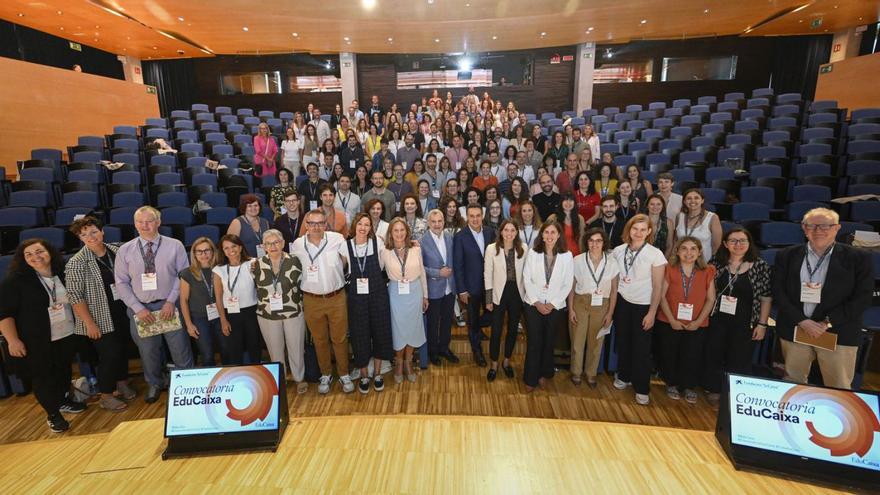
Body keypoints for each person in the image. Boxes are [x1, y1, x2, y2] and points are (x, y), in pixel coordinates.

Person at [772, 208, 874, 390]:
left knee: (838, 386)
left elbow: (863, 297)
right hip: (796, 328)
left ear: (837, 228)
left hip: (838, 332)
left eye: (825, 225)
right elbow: (778, 292)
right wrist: (803, 321)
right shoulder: (786, 255)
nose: (818, 230)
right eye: (811, 225)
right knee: (792, 384)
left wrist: (826, 323)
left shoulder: (858, 258)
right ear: (804, 228)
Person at [0, 239, 87, 432]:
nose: (35, 257)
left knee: (63, 370)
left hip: (66, 334)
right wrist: (13, 340)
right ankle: (53, 414)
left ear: (50, 252)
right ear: (22, 259)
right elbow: (5, 314)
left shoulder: (62, 273)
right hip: (36, 340)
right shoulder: (15, 281)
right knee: (43, 377)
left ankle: (63, 400)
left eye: (39, 251)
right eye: (28, 254)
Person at [114, 206, 193, 403]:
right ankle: (155, 383)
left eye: (149, 221)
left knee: (180, 348)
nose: (144, 225)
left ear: (158, 222)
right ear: (135, 224)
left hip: (170, 307)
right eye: (140, 222)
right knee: (148, 351)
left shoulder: (175, 245)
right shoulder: (125, 250)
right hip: (141, 310)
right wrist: (137, 308)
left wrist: (170, 301)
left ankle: (188, 383)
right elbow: (121, 283)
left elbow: (183, 276)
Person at [65, 217, 136, 411]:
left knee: (122, 349)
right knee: (110, 355)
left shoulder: (117, 250)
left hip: (122, 310)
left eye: (93, 232)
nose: (90, 237)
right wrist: (89, 323)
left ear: (102, 231)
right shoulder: (76, 263)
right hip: (99, 317)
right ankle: (106, 394)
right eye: (84, 234)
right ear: (80, 238)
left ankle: (121, 382)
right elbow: (75, 296)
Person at [705, 227, 772, 406]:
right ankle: (714, 389)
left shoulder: (760, 266)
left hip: (746, 321)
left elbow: (766, 297)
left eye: (743, 240)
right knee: (714, 354)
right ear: (726, 244)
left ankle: (733, 392)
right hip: (717, 318)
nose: (738, 244)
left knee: (739, 358)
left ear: (749, 244)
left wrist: (762, 324)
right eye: (733, 241)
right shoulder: (716, 263)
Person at [291, 209, 353, 394]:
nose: (316, 227)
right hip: (312, 300)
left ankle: (344, 373)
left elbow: (348, 260)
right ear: (306, 225)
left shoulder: (337, 239)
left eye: (320, 223)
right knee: (319, 340)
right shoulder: (297, 245)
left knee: (340, 338)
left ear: (326, 224)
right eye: (312, 223)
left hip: (337, 298)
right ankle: (326, 373)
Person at [610, 214, 667, 406]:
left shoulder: (655, 254)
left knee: (641, 348)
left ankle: (642, 387)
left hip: (643, 305)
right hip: (622, 303)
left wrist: (652, 312)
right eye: (635, 228)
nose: (638, 232)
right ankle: (624, 376)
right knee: (624, 342)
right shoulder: (618, 250)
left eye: (643, 229)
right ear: (629, 229)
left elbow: (658, 286)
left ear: (649, 231)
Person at [656, 237, 716, 404]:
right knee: (670, 353)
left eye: (693, 249)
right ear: (677, 251)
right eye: (684, 248)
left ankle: (689, 386)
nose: (688, 253)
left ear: (699, 252)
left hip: (697, 323)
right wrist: (672, 320)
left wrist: (698, 322)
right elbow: (661, 296)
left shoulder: (708, 270)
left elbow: (711, 299)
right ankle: (672, 384)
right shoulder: (670, 269)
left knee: (692, 355)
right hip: (670, 321)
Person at [252, 229, 308, 394]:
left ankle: (299, 378)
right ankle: (280, 379)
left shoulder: (295, 261)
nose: (273, 246)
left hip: (293, 312)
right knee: (274, 350)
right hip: (268, 314)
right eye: (269, 243)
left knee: (295, 347)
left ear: (283, 243)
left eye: (276, 242)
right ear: (263, 246)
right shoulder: (256, 264)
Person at [521, 220, 574, 392]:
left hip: (555, 306)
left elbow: (567, 284)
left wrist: (552, 303)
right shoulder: (533, 254)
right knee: (535, 341)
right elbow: (526, 278)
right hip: (533, 304)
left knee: (548, 341)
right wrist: (536, 302)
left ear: (559, 235)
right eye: (547, 232)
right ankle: (531, 378)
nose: (550, 236)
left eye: (553, 232)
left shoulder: (567, 256)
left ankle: (544, 373)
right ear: (542, 235)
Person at [346, 213, 395, 392]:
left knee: (380, 332)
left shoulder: (378, 243)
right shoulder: (346, 246)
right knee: (360, 335)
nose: (363, 228)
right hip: (357, 299)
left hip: (377, 295)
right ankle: (364, 375)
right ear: (355, 225)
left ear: (370, 228)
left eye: (367, 225)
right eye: (360, 224)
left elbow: (386, 264)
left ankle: (378, 373)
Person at [569, 228, 619, 388]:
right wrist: (570, 309)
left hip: (602, 304)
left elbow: (614, 291)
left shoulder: (612, 262)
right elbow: (572, 287)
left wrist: (610, 313)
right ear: (587, 242)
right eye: (591, 241)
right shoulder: (577, 260)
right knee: (577, 340)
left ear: (604, 243)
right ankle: (576, 372)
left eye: (598, 241)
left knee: (596, 342)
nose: (594, 244)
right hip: (580, 302)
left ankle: (591, 374)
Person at [382, 218, 429, 383]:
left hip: (415, 291)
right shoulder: (385, 251)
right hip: (395, 293)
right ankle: (399, 363)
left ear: (407, 232)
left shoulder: (415, 249)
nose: (399, 233)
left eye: (402, 230)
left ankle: (409, 361)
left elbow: (422, 272)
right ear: (391, 233)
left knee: (413, 328)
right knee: (398, 329)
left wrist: (425, 295)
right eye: (396, 230)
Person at [454, 204, 496, 367]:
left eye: (478, 215)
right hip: (470, 287)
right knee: (472, 319)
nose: (475, 219)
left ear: (482, 216)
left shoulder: (490, 232)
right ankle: (476, 351)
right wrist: (461, 289)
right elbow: (458, 265)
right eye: (472, 216)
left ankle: (477, 327)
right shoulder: (460, 236)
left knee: (491, 315)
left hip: (489, 285)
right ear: (466, 217)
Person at [484, 219, 526, 382]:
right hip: (498, 294)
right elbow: (487, 275)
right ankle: (494, 364)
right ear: (501, 232)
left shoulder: (523, 249)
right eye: (506, 230)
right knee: (496, 331)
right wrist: (488, 299)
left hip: (516, 293)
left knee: (513, 330)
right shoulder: (491, 249)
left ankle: (506, 362)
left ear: (516, 233)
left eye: (512, 230)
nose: (509, 233)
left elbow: (526, 275)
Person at [213, 234, 261, 365]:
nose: (231, 250)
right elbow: (218, 296)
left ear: (240, 247)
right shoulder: (219, 270)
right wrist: (223, 320)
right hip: (231, 314)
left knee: (254, 346)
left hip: (252, 312)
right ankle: (238, 377)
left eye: (233, 246)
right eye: (226, 248)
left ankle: (257, 378)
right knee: (235, 349)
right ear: (222, 251)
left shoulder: (253, 263)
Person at [179, 237, 225, 367]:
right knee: (207, 353)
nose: (203, 254)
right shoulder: (187, 273)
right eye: (199, 251)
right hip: (199, 318)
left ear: (213, 251)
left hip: (220, 315)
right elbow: (183, 300)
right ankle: (211, 383)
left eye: (207, 250)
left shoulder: (220, 269)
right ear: (194, 254)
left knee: (226, 349)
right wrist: (189, 324)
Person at [422, 209, 460, 366]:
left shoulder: (450, 237)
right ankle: (433, 351)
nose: (437, 224)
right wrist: (438, 273)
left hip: (449, 288)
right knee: (433, 323)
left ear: (444, 222)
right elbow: (420, 268)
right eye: (434, 222)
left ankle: (444, 348)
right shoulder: (422, 241)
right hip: (433, 289)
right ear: (428, 223)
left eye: (440, 221)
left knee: (446, 322)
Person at [673, 188, 722, 263]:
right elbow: (676, 241)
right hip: (682, 262)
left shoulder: (712, 217)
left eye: (696, 198)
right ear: (684, 202)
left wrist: (711, 263)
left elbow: (716, 245)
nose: (693, 201)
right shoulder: (679, 216)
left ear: (702, 200)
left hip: (704, 263)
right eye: (689, 198)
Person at [227, 194, 271, 258]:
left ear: (259, 207)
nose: (253, 208)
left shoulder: (265, 222)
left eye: (256, 205)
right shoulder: (237, 222)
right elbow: (230, 245)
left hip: (264, 259)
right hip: (245, 261)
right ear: (244, 207)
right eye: (249, 206)